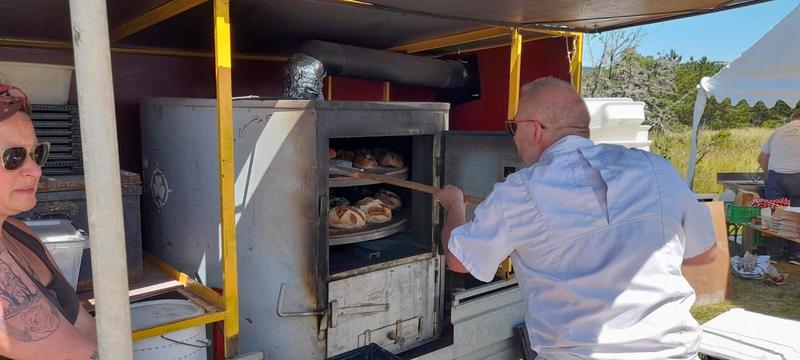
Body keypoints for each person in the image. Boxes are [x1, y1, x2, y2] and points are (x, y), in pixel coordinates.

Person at [437, 77, 717, 360]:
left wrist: (454, 204)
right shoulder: (656, 168)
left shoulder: (520, 192)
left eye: (514, 126)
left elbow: (459, 260)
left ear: (534, 130)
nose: (514, 136)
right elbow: (705, 254)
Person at [0, 84, 97, 360]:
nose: (35, 170)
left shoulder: (19, 232)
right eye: (13, 157)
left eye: (36, 153)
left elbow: (84, 325)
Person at [757, 110, 800, 260]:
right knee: (798, 213)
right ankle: (796, 253)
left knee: (774, 213)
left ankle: (775, 254)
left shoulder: (777, 132)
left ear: (791, 119)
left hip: (776, 177)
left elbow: (762, 159)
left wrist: (770, 176)